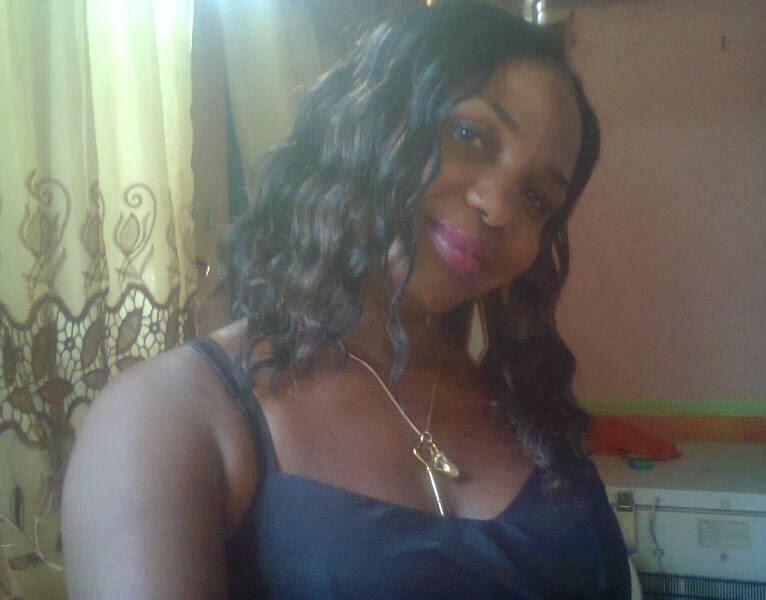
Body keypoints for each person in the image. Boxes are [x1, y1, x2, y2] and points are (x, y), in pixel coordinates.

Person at [62, 1, 630, 598]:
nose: (499, 206)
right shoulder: (173, 416)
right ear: (367, 120)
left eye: (537, 197)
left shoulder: (520, 402)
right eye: (469, 135)